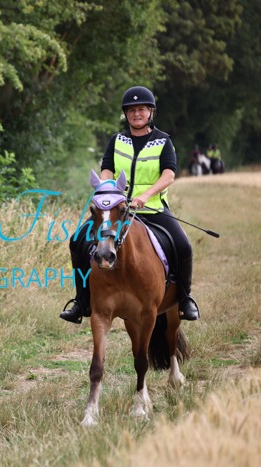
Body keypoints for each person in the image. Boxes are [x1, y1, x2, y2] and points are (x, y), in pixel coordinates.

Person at [60, 85, 200, 323]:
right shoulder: (117, 140)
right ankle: (81, 301)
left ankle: (185, 300)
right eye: (132, 110)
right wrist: (106, 191)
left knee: (183, 245)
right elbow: (107, 169)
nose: (137, 114)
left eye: (142, 109)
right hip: (117, 210)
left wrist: (145, 195)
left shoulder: (163, 141)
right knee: (77, 240)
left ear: (151, 112)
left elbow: (168, 175)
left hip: (152, 208)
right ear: (126, 114)